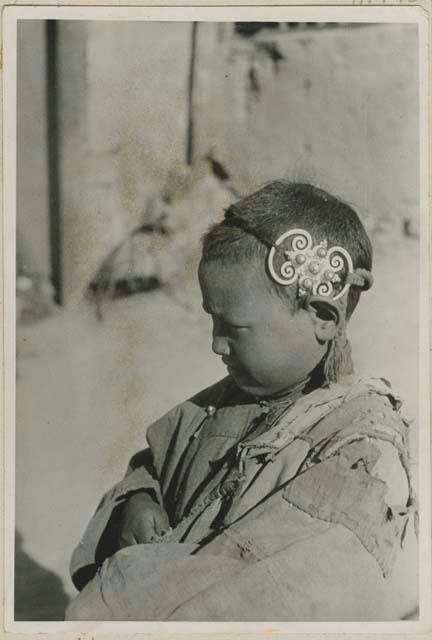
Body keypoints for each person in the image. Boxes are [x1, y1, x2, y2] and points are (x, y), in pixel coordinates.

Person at [66, 181, 418, 621]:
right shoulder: (216, 405)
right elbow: (152, 465)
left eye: (234, 327)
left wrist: (136, 577)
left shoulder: (359, 454)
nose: (216, 345)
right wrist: (137, 502)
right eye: (213, 321)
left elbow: (281, 595)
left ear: (324, 318)